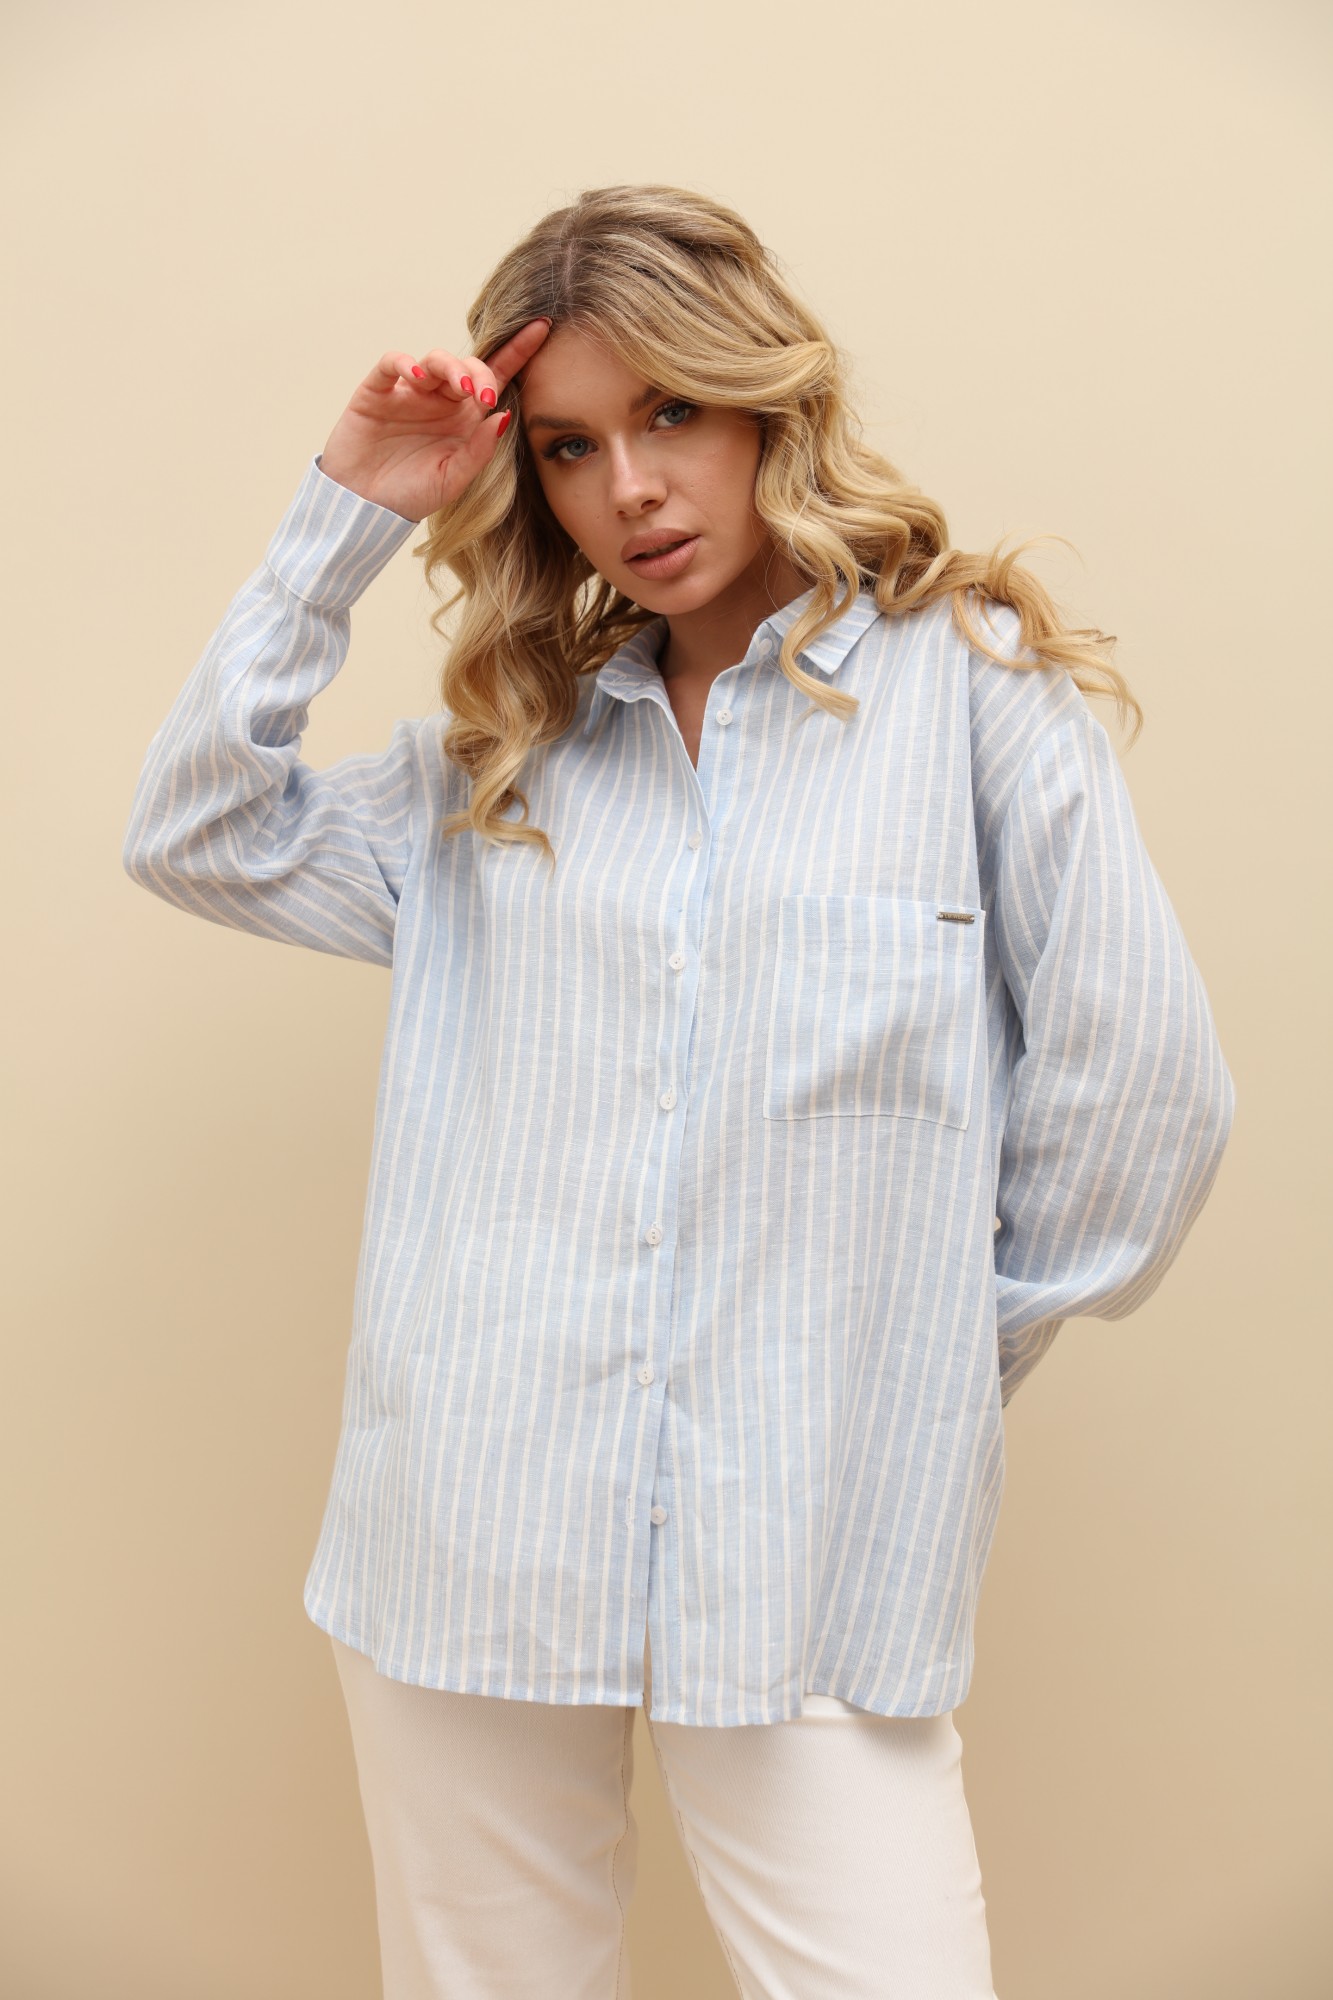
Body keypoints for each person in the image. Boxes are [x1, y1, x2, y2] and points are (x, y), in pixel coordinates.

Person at [121, 183, 1235, 1999]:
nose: (629, 489)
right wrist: (348, 516)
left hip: (810, 1543)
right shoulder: (504, 752)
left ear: (765, 405)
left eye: (671, 415)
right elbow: (196, 831)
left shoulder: (973, 697)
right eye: (569, 447)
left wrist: (914, 1372)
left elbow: (1144, 1099)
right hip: (471, 1517)